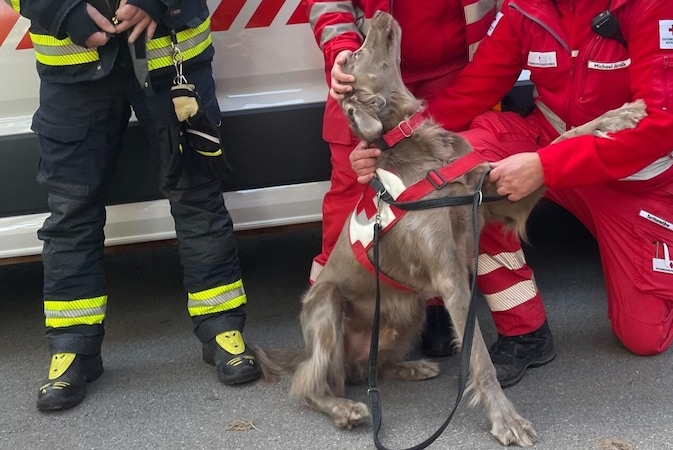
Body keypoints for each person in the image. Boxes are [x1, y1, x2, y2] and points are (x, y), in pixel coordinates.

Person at [348, 0, 673, 387]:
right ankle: (525, 332)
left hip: (633, 180)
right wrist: (388, 146)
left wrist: (544, 167)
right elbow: (471, 91)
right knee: (459, 173)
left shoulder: (655, 6)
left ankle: (655, 257)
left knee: (644, 336)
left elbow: (660, 126)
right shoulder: (529, 6)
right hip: (550, 143)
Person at [8, 0, 262, 411]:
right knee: (72, 211)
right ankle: (74, 348)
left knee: (197, 194)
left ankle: (222, 327)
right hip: (73, 64)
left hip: (171, 55)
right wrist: (58, 9)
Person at [305, 0, 499, 357]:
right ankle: (332, 327)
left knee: (448, 202)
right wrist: (344, 52)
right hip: (370, 77)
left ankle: (436, 307)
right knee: (351, 204)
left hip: (456, 75)